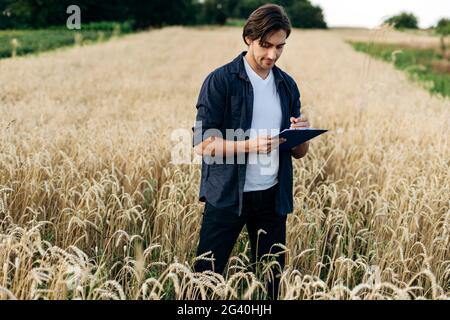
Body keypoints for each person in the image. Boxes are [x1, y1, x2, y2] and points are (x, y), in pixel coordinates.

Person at [191, 3, 310, 300]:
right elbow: (203, 144)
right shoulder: (221, 80)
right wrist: (249, 146)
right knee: (204, 280)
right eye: (265, 45)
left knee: (271, 282)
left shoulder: (286, 85)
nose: (272, 55)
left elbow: (300, 153)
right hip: (228, 196)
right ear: (248, 38)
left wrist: (301, 135)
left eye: (280, 47)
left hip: (272, 197)